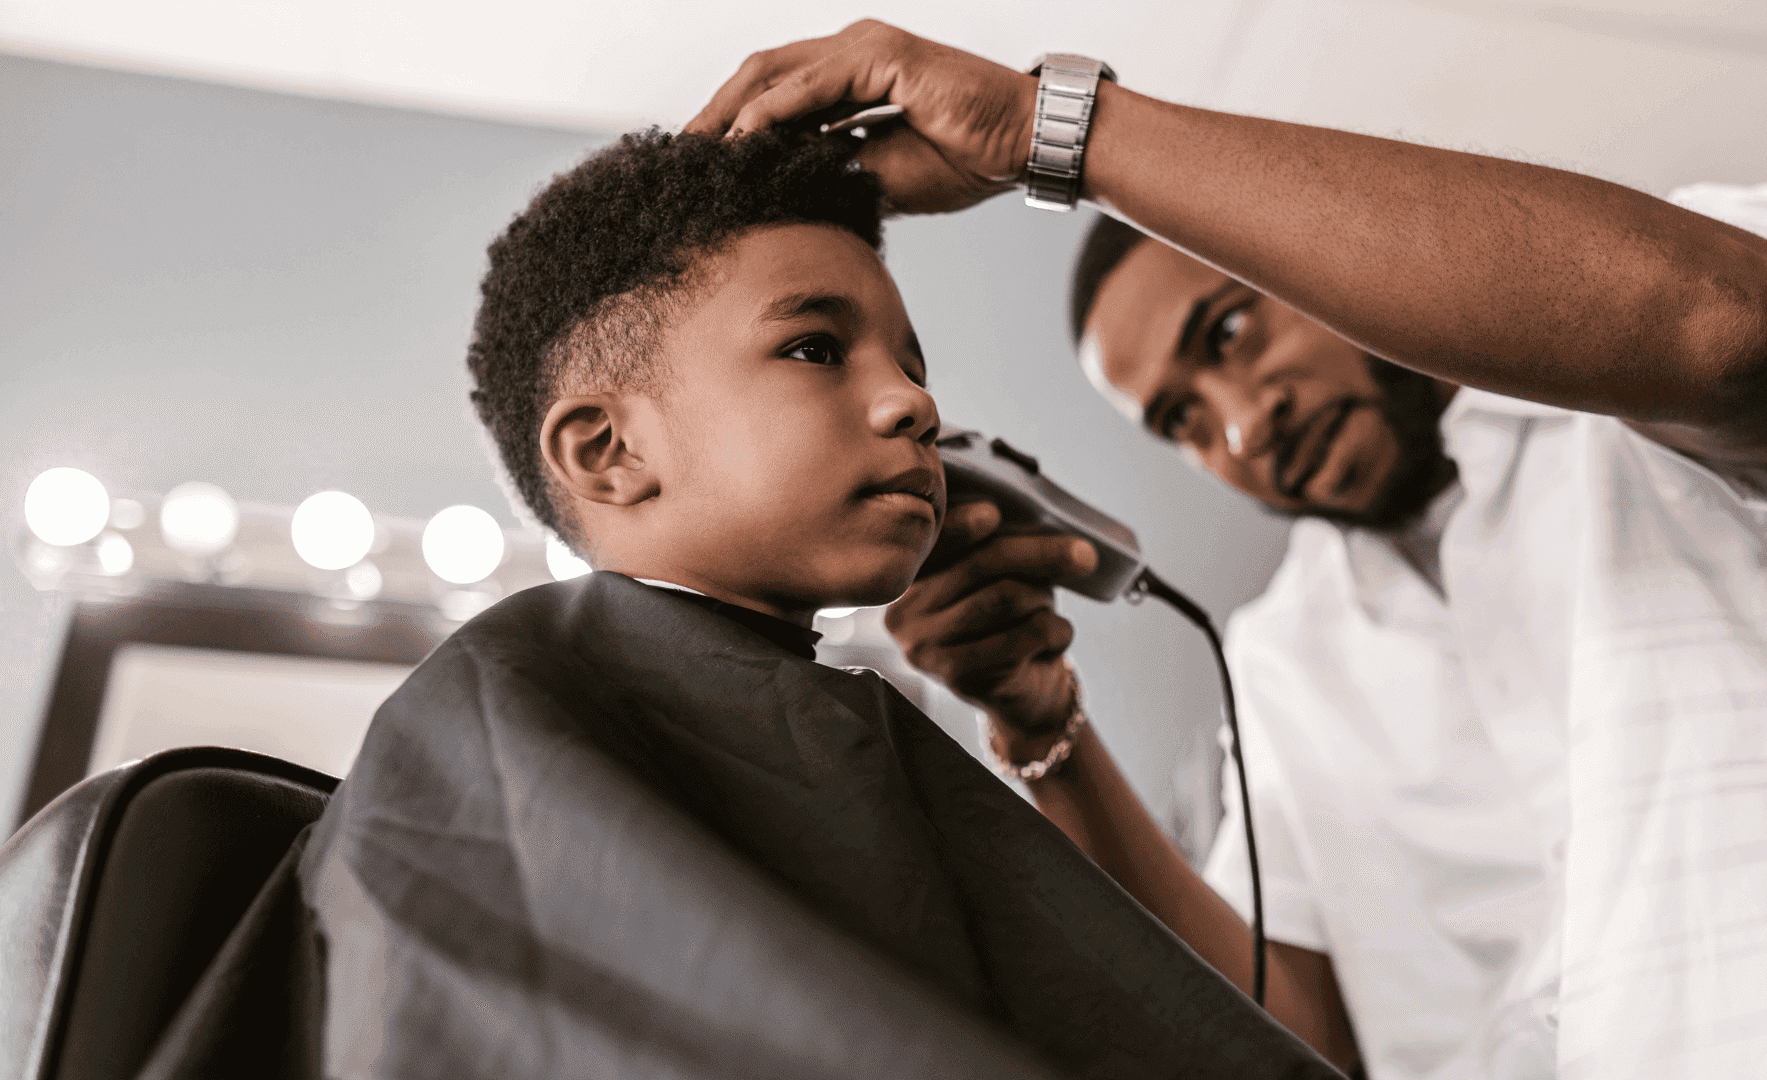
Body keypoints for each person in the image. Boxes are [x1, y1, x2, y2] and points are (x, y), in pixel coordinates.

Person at [690, 20, 1767, 1080]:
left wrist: (1052, 131)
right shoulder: (1285, 660)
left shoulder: (1651, 430)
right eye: (1182, 420)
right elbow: (1283, 1032)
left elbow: (1727, 335)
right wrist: (1043, 728)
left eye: (1230, 335)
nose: (1241, 426)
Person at [277, 128, 1340, 1080]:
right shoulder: (509, 710)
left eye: (913, 367)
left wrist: (1043, 720)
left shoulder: (834, 725)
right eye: (815, 349)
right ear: (608, 451)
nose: (915, 402)